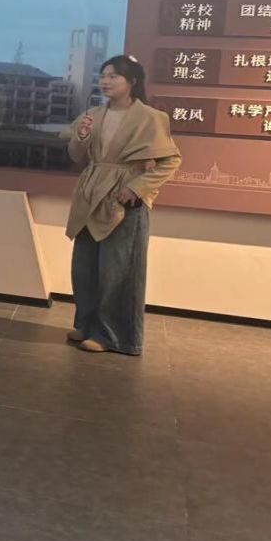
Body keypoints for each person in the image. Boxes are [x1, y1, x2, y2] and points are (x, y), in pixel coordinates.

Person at [64, 55, 181, 356]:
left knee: (118, 271)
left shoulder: (150, 117)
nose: (105, 81)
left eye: (114, 76)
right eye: (103, 75)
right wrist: (81, 136)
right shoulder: (93, 115)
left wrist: (137, 187)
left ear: (132, 82)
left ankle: (114, 336)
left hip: (124, 200)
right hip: (90, 196)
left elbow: (170, 161)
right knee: (84, 267)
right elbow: (76, 155)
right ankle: (87, 324)